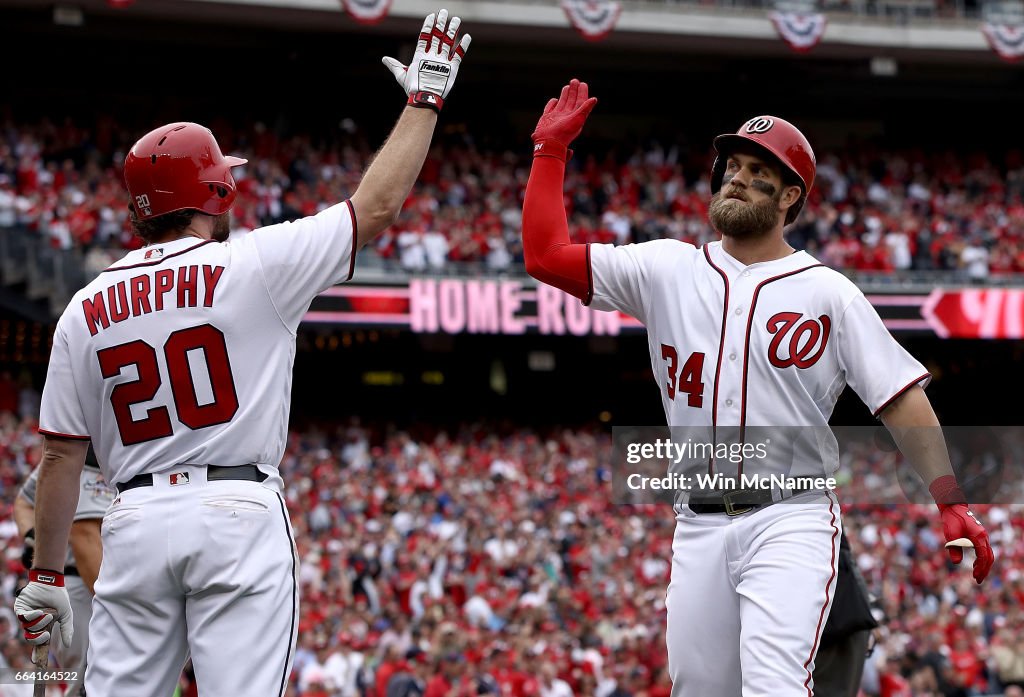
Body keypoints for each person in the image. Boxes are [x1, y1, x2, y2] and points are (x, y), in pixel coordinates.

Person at [12, 9, 471, 696]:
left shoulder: (83, 306)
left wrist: (48, 574)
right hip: (236, 508)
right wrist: (424, 103)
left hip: (132, 520)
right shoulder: (253, 264)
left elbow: (60, 457)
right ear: (213, 190)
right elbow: (373, 208)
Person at [520, 79, 994, 696]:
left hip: (790, 517)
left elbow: (900, 397)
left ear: (791, 195)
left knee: (774, 687)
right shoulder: (666, 268)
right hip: (697, 523)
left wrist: (948, 497)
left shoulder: (827, 291)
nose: (737, 178)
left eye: (758, 171)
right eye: (733, 166)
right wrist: (549, 154)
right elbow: (545, 253)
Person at [13, 445, 112, 696]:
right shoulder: (72, 457)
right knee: (91, 680)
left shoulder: (127, 458)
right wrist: (33, 537)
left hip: (103, 582)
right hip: (77, 585)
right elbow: (23, 503)